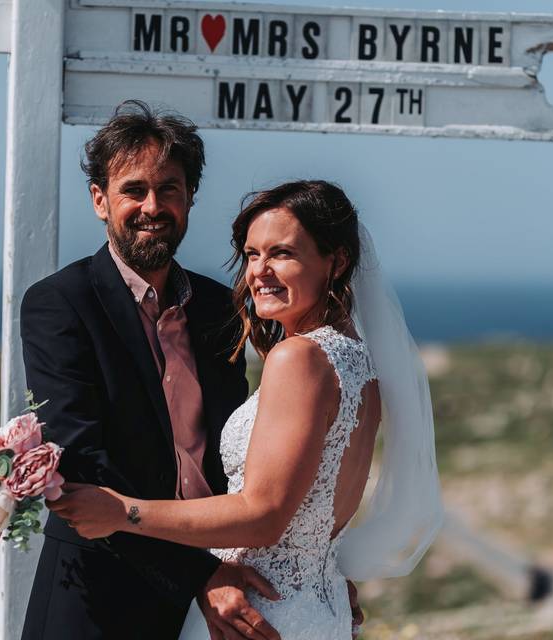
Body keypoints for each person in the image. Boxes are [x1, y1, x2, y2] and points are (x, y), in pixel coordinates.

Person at [49, 180, 445, 639]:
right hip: (318, 606)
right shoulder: (360, 365)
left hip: (257, 613)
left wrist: (123, 511)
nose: (260, 271)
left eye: (282, 254)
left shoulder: (298, 358)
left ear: (335, 262)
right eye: (253, 254)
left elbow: (264, 513)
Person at [19, 100, 284, 640]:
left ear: (190, 198)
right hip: (98, 602)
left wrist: (307, 579)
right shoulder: (59, 305)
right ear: (100, 200)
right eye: (133, 190)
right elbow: (83, 465)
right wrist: (200, 575)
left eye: (169, 189)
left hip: (221, 594)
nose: (152, 205)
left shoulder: (221, 308)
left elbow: (241, 458)